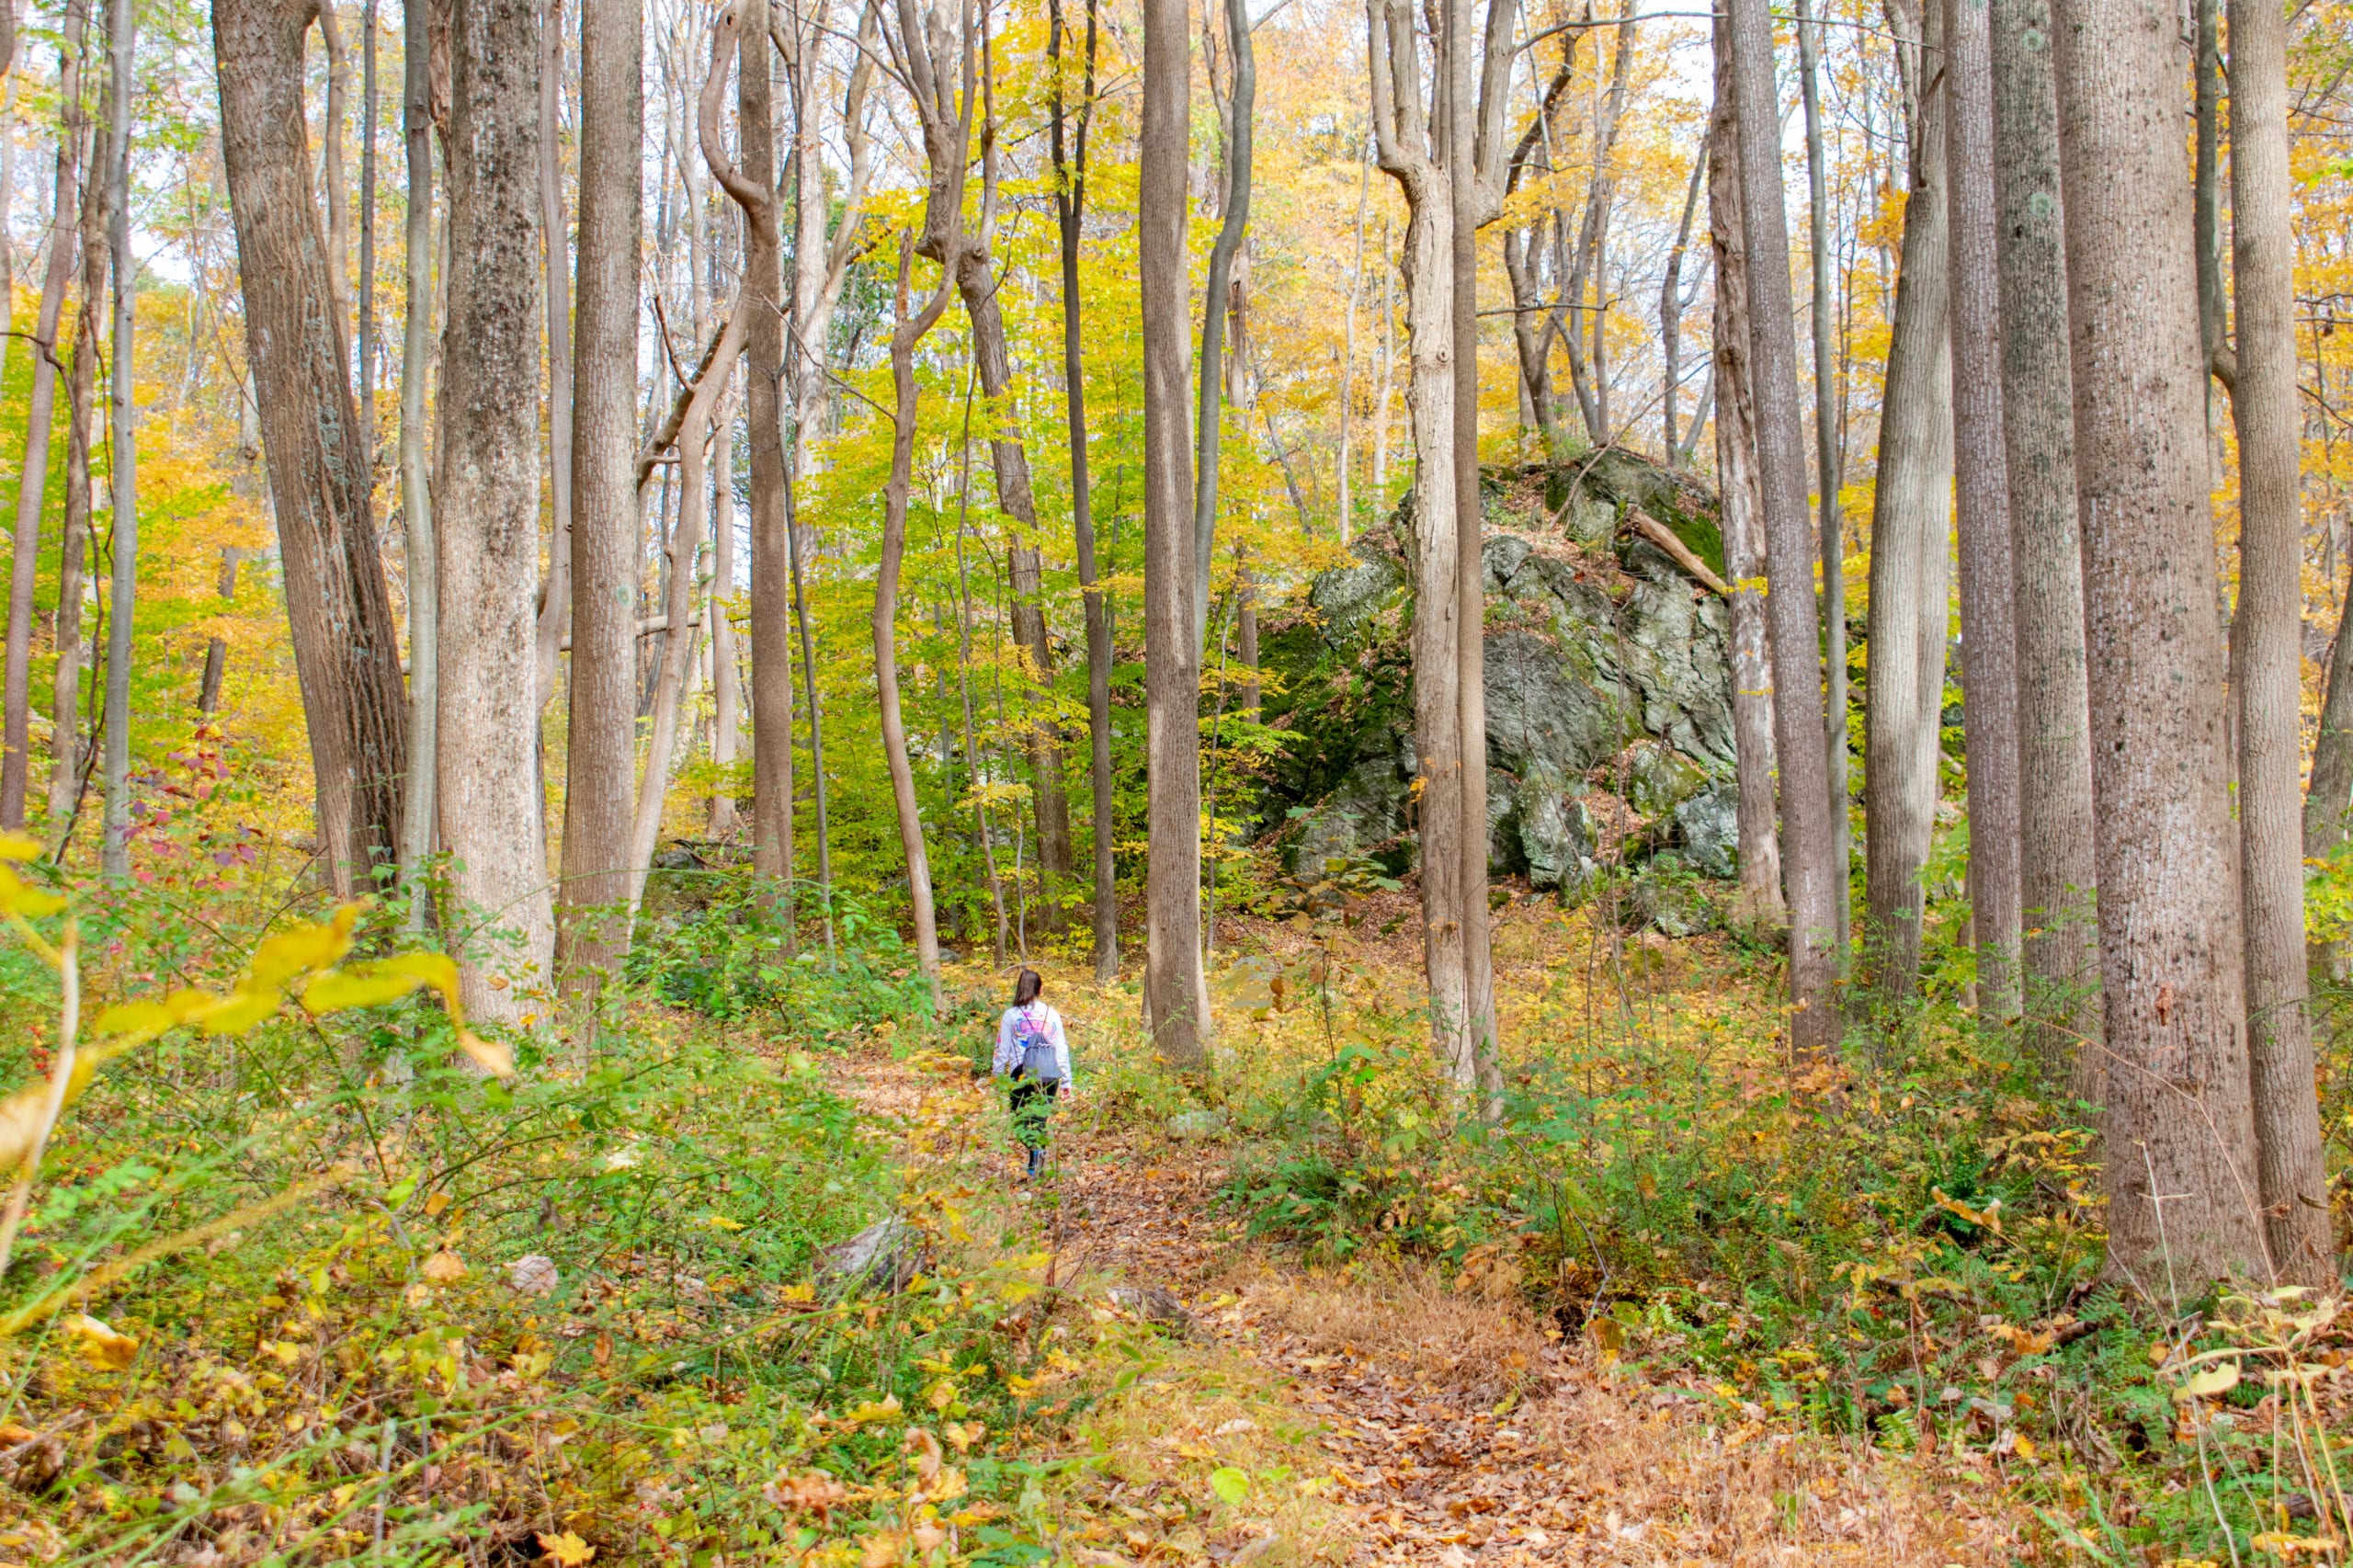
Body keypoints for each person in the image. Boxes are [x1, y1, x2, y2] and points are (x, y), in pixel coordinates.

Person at [992, 967, 1073, 1179]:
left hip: (1021, 1074)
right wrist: (1066, 1080)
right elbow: (1061, 1049)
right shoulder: (1052, 1014)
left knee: (1018, 1121)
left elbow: (1003, 1049)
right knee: (1039, 1120)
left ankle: (1035, 1156)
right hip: (1049, 1073)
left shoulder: (1010, 1015)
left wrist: (997, 1076)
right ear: (1041, 989)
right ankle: (1035, 1160)